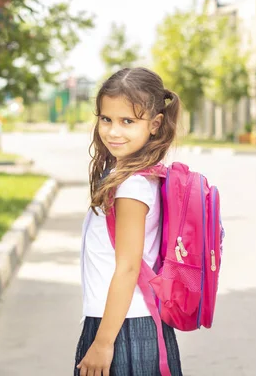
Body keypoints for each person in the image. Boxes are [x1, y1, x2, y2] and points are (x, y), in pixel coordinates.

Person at [74, 67, 183, 376]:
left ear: (155, 125)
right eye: (106, 119)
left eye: (128, 121)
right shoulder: (131, 176)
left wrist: (103, 342)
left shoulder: (132, 186)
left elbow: (128, 267)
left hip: (124, 328)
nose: (113, 131)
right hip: (125, 320)